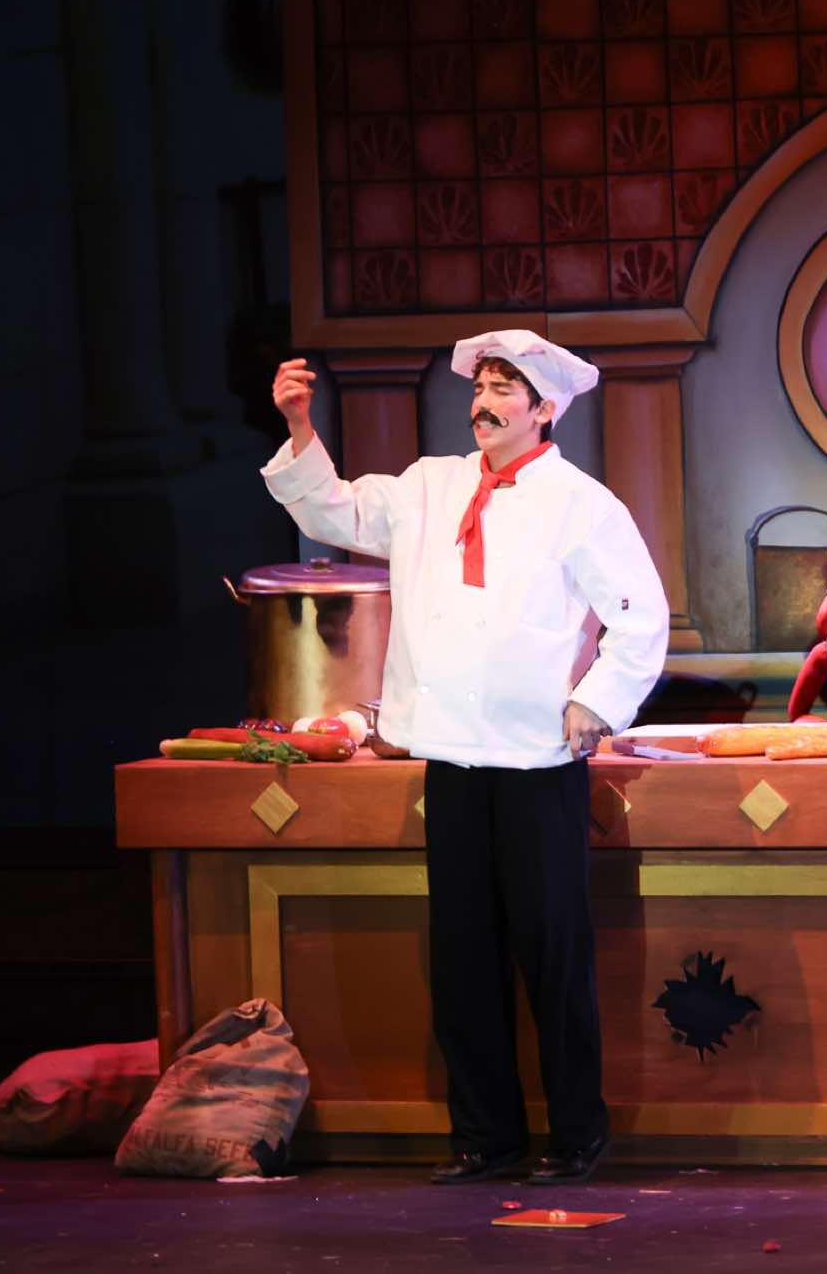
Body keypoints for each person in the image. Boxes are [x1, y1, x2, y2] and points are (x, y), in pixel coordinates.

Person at [261, 329, 669, 1185]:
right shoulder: (428, 484)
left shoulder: (582, 503)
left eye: (504, 389)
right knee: (463, 955)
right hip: (451, 757)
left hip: (536, 762)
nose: (483, 403)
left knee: (552, 954)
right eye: (480, 387)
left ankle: (576, 1135)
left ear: (545, 408)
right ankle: (487, 1137)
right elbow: (334, 509)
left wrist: (595, 701)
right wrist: (300, 424)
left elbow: (642, 616)